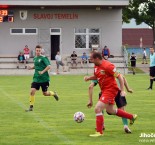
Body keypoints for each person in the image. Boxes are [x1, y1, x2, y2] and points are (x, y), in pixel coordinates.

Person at [84, 51, 137, 137]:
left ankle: (99, 132)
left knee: (97, 108)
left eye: (92, 59)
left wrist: (123, 90)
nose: (90, 60)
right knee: (110, 110)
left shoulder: (108, 66)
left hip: (111, 90)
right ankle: (132, 116)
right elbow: (97, 76)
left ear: (97, 58)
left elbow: (119, 76)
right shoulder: (96, 66)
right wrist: (88, 78)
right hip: (105, 90)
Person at [25, 45, 59, 112]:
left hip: (44, 79)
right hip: (36, 78)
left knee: (45, 93)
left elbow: (49, 66)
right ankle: (31, 107)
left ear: (41, 51)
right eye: (37, 50)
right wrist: (31, 68)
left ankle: (53, 94)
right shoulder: (35, 58)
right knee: (32, 91)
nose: (38, 52)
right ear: (35, 50)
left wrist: (43, 72)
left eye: (39, 50)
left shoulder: (44, 58)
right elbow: (36, 65)